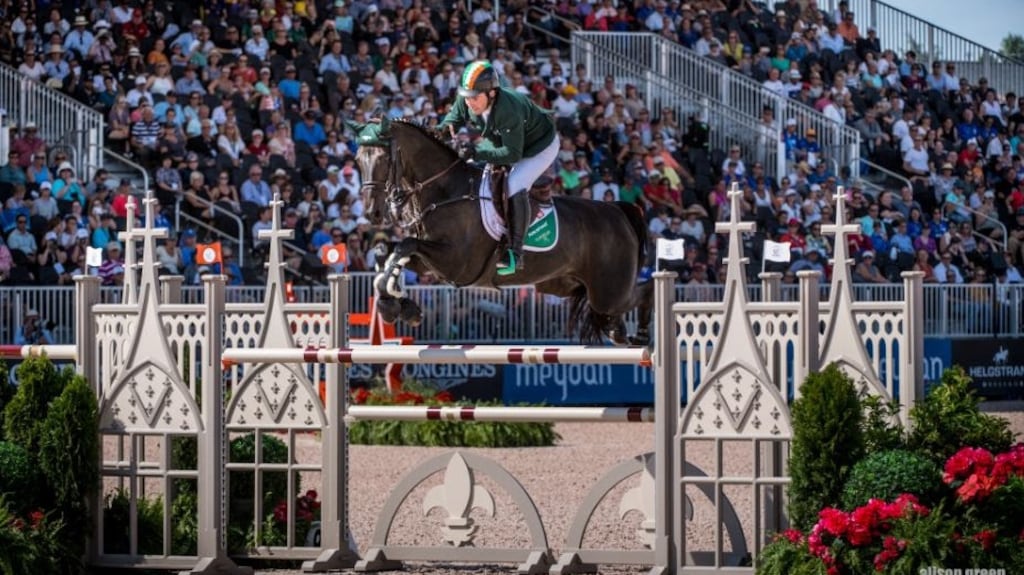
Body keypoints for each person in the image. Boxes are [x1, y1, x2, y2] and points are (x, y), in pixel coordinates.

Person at [436, 60, 559, 276]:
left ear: (492, 93)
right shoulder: (468, 97)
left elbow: (513, 154)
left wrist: (476, 151)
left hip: (539, 147)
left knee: (513, 185)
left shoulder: (508, 109)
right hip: (502, 140)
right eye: (466, 97)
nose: (469, 102)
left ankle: (515, 252)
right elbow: (450, 122)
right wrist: (437, 131)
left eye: (475, 97)